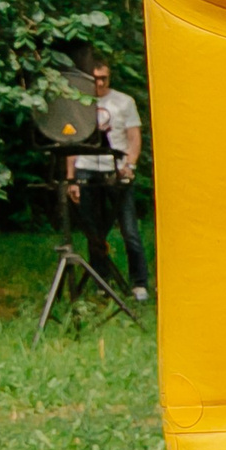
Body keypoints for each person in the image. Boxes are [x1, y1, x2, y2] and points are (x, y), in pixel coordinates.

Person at [64, 59, 150, 299]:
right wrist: (71, 178)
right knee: (94, 232)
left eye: (104, 78)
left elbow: (134, 137)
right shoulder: (80, 103)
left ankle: (139, 283)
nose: (100, 83)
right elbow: (72, 143)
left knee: (129, 229)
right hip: (86, 169)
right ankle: (102, 282)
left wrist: (130, 165)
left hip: (116, 169)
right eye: (96, 79)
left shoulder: (124, 102)